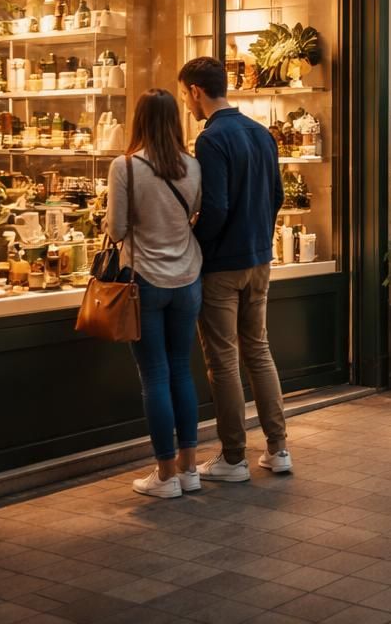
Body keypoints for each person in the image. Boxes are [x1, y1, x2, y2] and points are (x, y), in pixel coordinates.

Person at [178, 57, 290, 482]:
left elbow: (217, 206)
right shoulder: (262, 133)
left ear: (195, 91)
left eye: (186, 94)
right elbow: (277, 196)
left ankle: (233, 457)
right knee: (258, 351)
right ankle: (278, 449)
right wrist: (258, 235)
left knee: (223, 360)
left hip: (222, 265)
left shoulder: (211, 139)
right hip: (259, 259)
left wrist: (198, 245)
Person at [109, 90, 204, 499]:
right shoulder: (193, 165)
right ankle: (189, 468)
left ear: (139, 120)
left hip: (144, 280)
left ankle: (165, 475)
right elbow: (195, 213)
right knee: (182, 369)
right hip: (187, 279)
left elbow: (115, 229)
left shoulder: (125, 166)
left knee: (155, 376)